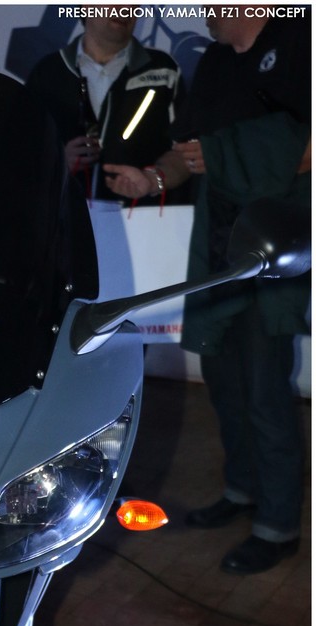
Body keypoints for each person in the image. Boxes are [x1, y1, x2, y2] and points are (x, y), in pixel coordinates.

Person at [103, 11, 310, 574]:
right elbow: (188, 151)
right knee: (224, 380)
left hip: (274, 250)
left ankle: (278, 526)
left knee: (265, 388)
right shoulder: (215, 62)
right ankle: (242, 490)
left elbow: (302, 148)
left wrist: (225, 154)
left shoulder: (300, 43)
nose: (201, 12)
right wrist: (152, 178)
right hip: (218, 248)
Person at [25, 12, 184, 203]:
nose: (125, 8)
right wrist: (58, 163)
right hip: (65, 215)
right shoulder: (47, 73)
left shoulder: (163, 70)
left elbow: (187, 152)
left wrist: (152, 180)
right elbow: (19, 155)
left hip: (139, 217)